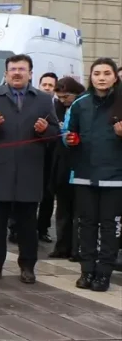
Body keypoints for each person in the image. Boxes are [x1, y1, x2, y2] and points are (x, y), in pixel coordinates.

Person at [0, 54, 60, 284]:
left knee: (27, 225)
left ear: (30, 73)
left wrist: (45, 130)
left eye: (22, 69)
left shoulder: (43, 99)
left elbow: (55, 134)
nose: (17, 73)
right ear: (6, 73)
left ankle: (27, 266)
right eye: (12, 69)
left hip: (29, 171)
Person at [63, 58, 122, 292]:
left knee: (110, 227)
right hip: (84, 174)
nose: (102, 77)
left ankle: (103, 273)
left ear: (115, 77)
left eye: (107, 73)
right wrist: (69, 140)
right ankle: (86, 270)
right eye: (97, 73)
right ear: (91, 76)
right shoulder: (80, 103)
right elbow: (68, 133)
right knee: (86, 224)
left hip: (115, 176)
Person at [48, 76, 85, 259]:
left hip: (78, 163)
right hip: (61, 163)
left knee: (79, 211)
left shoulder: (83, 105)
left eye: (66, 97)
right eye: (60, 97)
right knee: (63, 209)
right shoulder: (57, 108)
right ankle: (62, 246)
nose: (63, 101)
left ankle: (77, 248)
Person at [36, 72, 59, 243]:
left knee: (47, 195)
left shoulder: (59, 106)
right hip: (33, 155)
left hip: (52, 157)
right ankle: (15, 228)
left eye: (50, 85)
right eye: (44, 84)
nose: (47, 88)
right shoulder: (33, 103)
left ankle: (42, 229)